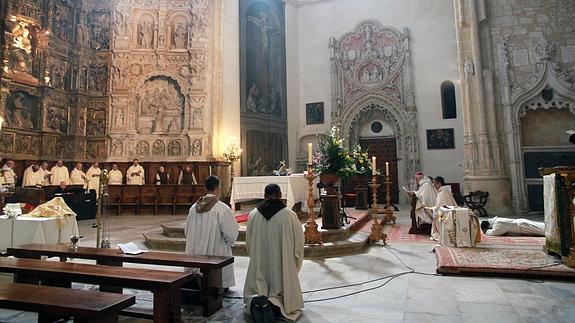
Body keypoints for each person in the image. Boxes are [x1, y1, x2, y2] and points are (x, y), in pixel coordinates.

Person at [244, 183, 304, 322]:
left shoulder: (253, 214)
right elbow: (299, 244)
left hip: (259, 264)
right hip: (281, 266)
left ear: (264, 196)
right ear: (281, 196)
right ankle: (273, 304)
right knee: (281, 292)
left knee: (258, 287)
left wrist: (255, 257)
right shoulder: (289, 215)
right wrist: (293, 265)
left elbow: (249, 242)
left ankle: (257, 301)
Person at [184, 175, 239, 289]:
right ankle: (219, 287)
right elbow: (231, 234)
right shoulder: (222, 208)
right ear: (218, 188)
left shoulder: (194, 208)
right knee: (217, 281)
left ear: (205, 188)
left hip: (195, 252)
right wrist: (228, 242)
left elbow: (187, 231)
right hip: (216, 252)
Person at [430, 176, 458, 241]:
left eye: (435, 184)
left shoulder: (444, 192)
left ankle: (442, 233)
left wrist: (435, 209)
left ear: (439, 183)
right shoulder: (442, 191)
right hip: (444, 212)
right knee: (436, 217)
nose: (434, 186)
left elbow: (441, 205)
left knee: (437, 218)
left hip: (446, 214)